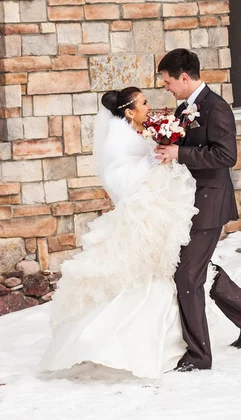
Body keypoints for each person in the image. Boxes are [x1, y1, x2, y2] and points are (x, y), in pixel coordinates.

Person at [40, 87, 200, 379]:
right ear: (128, 111)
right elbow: (118, 182)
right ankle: (118, 344)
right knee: (141, 273)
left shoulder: (138, 129)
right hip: (140, 213)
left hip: (156, 206)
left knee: (163, 271)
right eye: (144, 103)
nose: (149, 107)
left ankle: (173, 337)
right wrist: (150, 161)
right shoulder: (116, 137)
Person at [156, 48, 241, 372]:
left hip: (208, 203)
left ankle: (198, 356)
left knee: (187, 276)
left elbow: (225, 155)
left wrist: (180, 153)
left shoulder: (216, 107)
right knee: (197, 269)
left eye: (167, 81)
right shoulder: (184, 107)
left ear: (184, 77)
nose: (166, 88)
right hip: (186, 203)